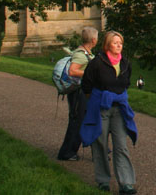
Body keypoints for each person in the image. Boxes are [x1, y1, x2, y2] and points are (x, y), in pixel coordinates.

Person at [80, 31, 138, 194]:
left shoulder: (126, 63)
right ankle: (103, 180)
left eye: (120, 42)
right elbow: (86, 85)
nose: (119, 45)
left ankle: (126, 183)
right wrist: (98, 99)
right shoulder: (97, 63)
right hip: (101, 108)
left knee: (121, 145)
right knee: (101, 144)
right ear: (107, 45)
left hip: (119, 108)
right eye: (115, 42)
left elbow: (126, 84)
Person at [56, 26, 98, 161]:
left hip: (85, 93)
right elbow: (73, 71)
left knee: (88, 121)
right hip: (79, 94)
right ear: (93, 40)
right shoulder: (80, 54)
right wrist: (89, 74)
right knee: (77, 122)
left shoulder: (85, 53)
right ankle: (66, 152)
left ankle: (98, 152)